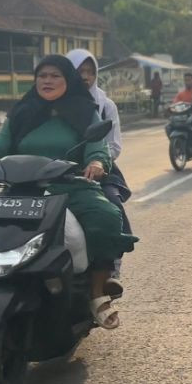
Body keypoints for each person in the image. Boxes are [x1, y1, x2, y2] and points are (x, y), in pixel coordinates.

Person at [0, 56, 137, 328]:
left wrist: (97, 162)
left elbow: (97, 146)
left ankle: (96, 294)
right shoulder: (22, 111)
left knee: (105, 218)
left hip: (70, 188)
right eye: (42, 76)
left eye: (55, 76)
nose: (47, 81)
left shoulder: (85, 111)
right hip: (21, 190)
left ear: (68, 80)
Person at [67, 49, 130, 295]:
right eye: (79, 71)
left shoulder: (106, 106)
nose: (85, 76)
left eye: (90, 71)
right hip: (58, 172)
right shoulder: (53, 103)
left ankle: (111, 267)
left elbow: (114, 145)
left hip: (99, 170)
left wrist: (98, 163)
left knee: (112, 204)